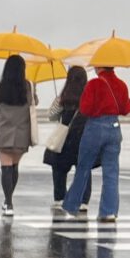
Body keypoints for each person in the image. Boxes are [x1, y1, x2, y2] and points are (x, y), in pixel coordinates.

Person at [61, 64, 130, 221]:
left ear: (100, 66)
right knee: (111, 173)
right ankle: (109, 211)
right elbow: (127, 108)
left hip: (95, 127)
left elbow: (85, 109)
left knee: (83, 167)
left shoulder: (94, 84)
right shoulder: (121, 84)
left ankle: (72, 205)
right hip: (114, 128)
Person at [0, 54, 35, 216]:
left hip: (3, 133)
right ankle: (8, 200)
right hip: (21, 133)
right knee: (14, 168)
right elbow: (32, 103)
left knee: (6, 169)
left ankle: (8, 203)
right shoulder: (27, 87)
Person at [43, 65, 88, 208]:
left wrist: (57, 100)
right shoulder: (88, 98)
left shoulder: (64, 97)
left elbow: (51, 116)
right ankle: (83, 201)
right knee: (84, 169)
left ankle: (59, 198)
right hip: (83, 139)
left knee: (59, 168)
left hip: (65, 140)